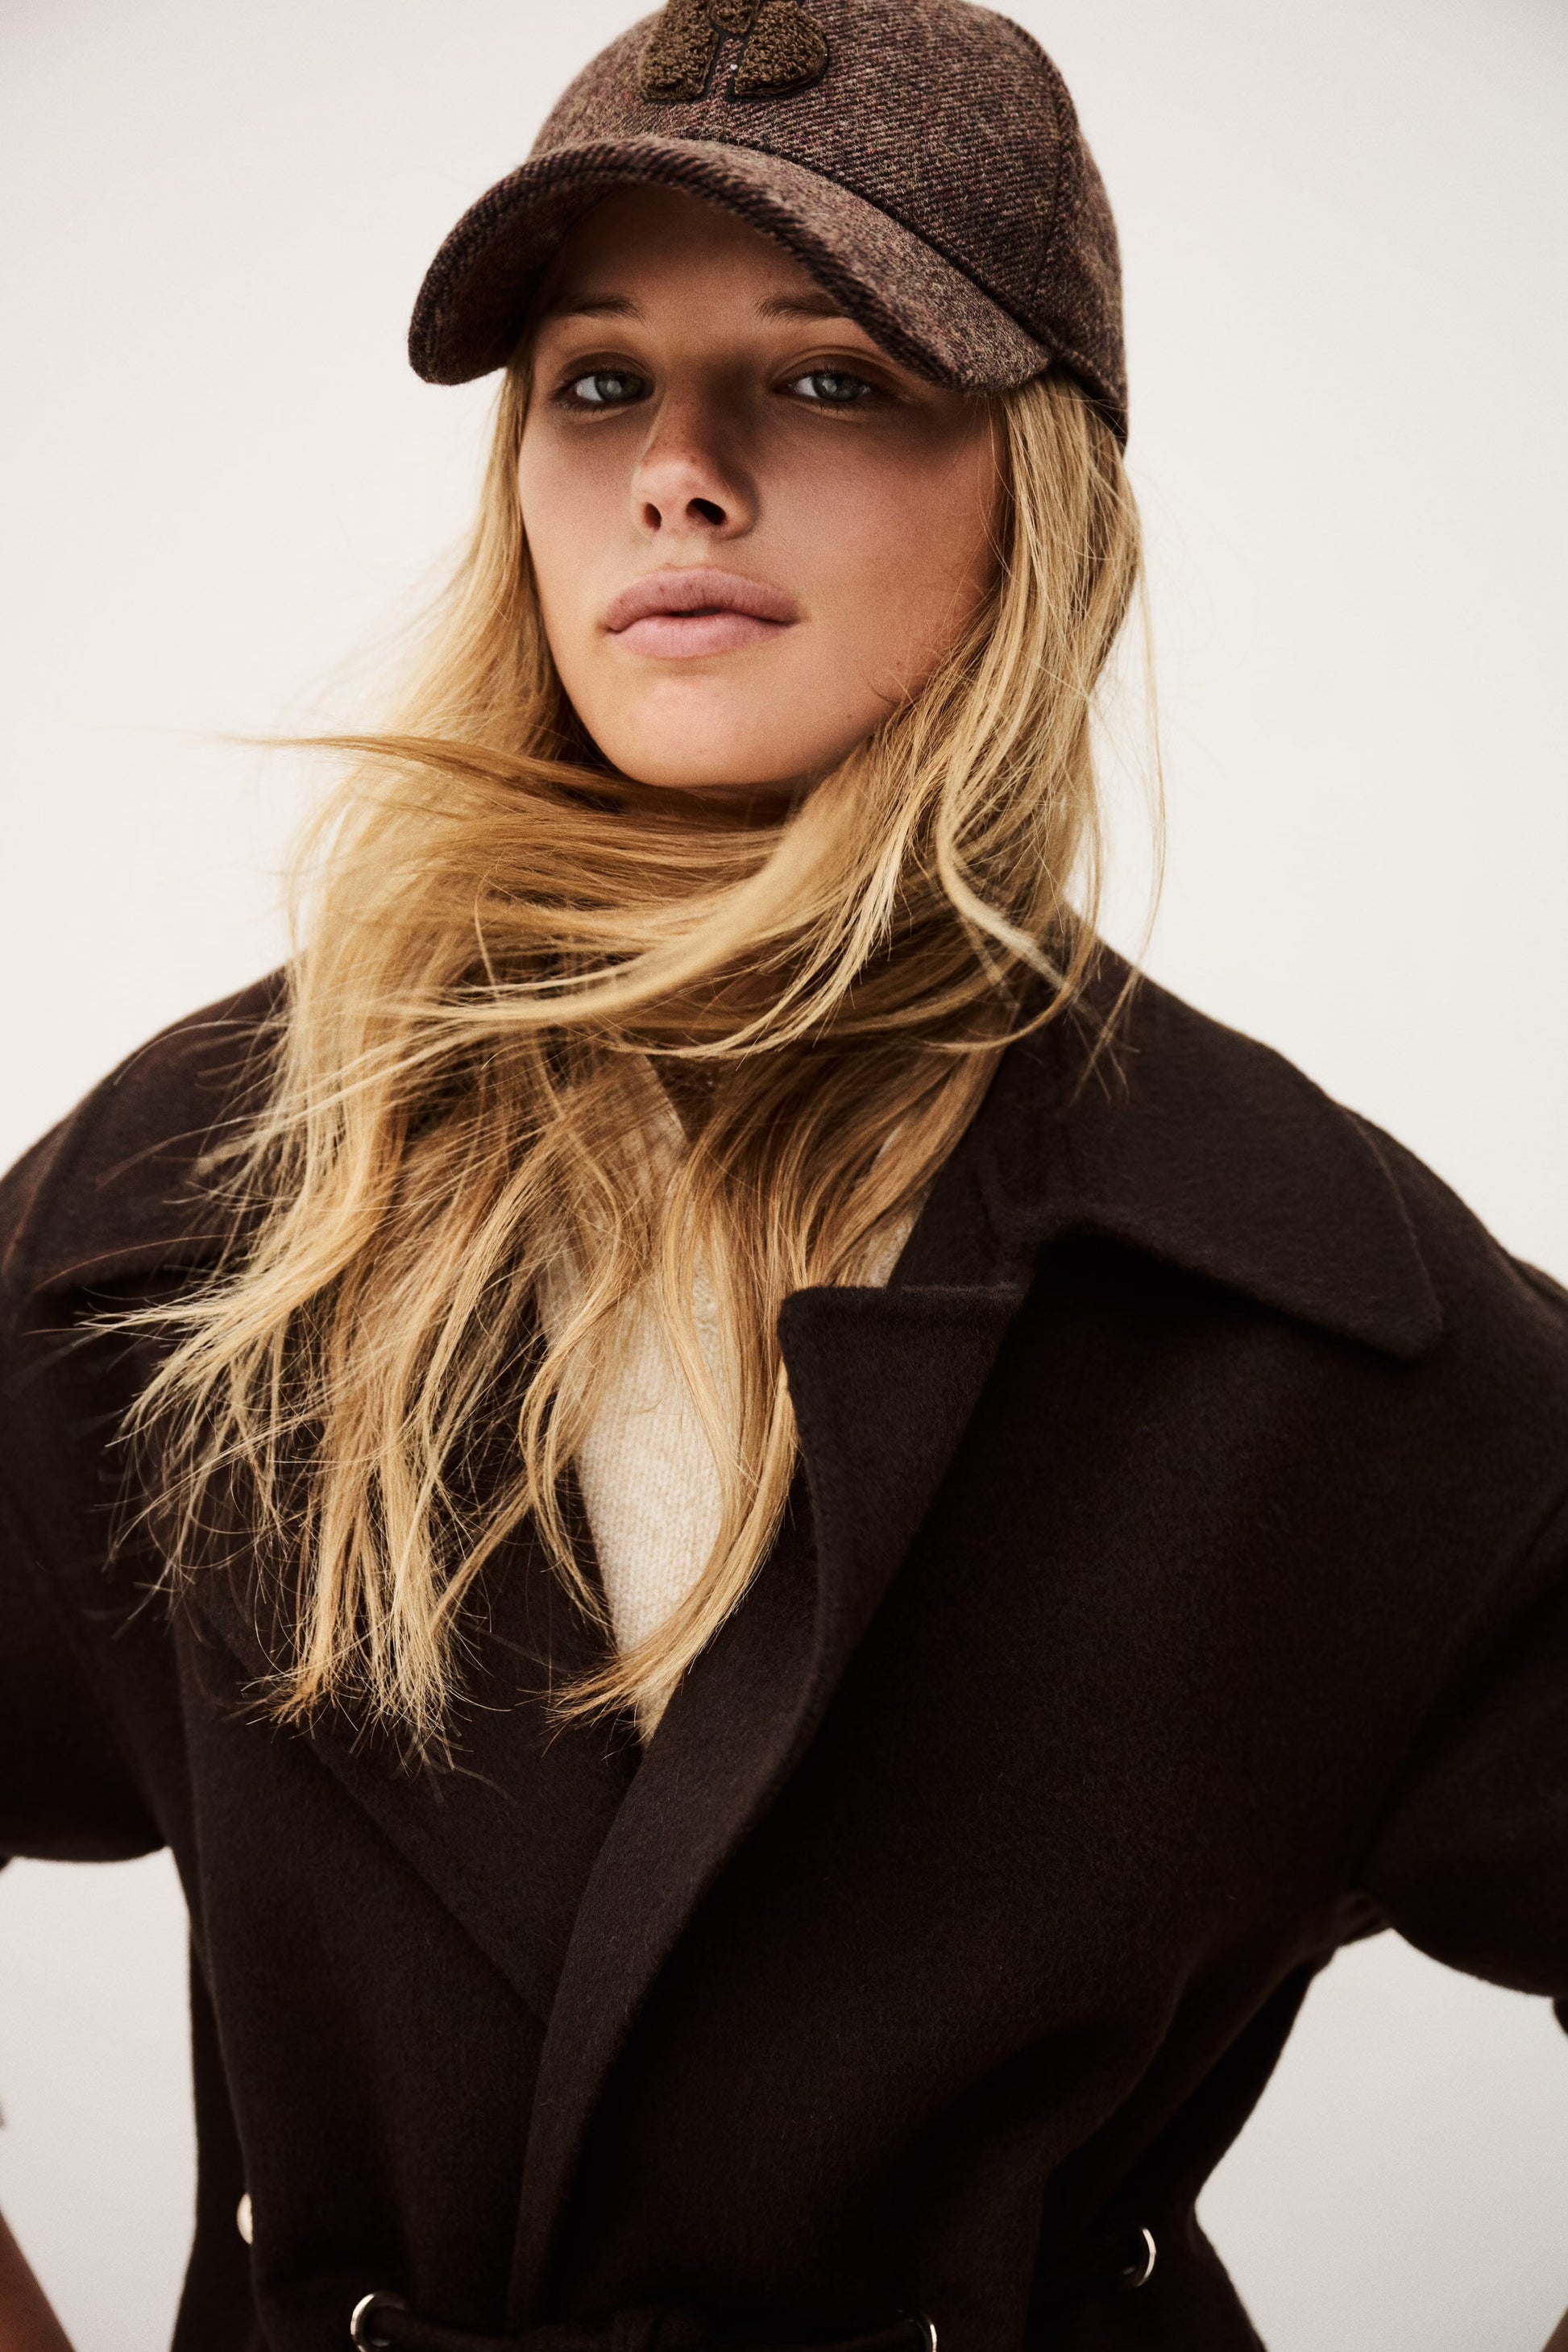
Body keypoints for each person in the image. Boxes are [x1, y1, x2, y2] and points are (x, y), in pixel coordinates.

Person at [1, 2, 1564, 2347]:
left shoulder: (1321, 1308)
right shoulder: (196, 1203)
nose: (681, 474)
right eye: (598, 380)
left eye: (830, 377)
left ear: (1034, 486)